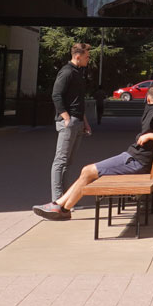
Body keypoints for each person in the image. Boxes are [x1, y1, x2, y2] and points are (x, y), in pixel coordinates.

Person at [33, 84, 153, 219]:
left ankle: (62, 209)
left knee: (88, 171)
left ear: (147, 98)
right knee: (87, 171)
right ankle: (60, 205)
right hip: (136, 159)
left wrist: (148, 136)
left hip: (136, 161)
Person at [49, 41, 94, 203]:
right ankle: (56, 201)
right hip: (68, 123)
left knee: (68, 163)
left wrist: (85, 122)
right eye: (87, 56)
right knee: (60, 162)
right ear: (78, 56)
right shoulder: (67, 72)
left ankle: (65, 200)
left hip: (77, 122)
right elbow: (56, 95)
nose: (88, 59)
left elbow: (77, 101)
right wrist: (66, 118)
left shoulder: (78, 72)